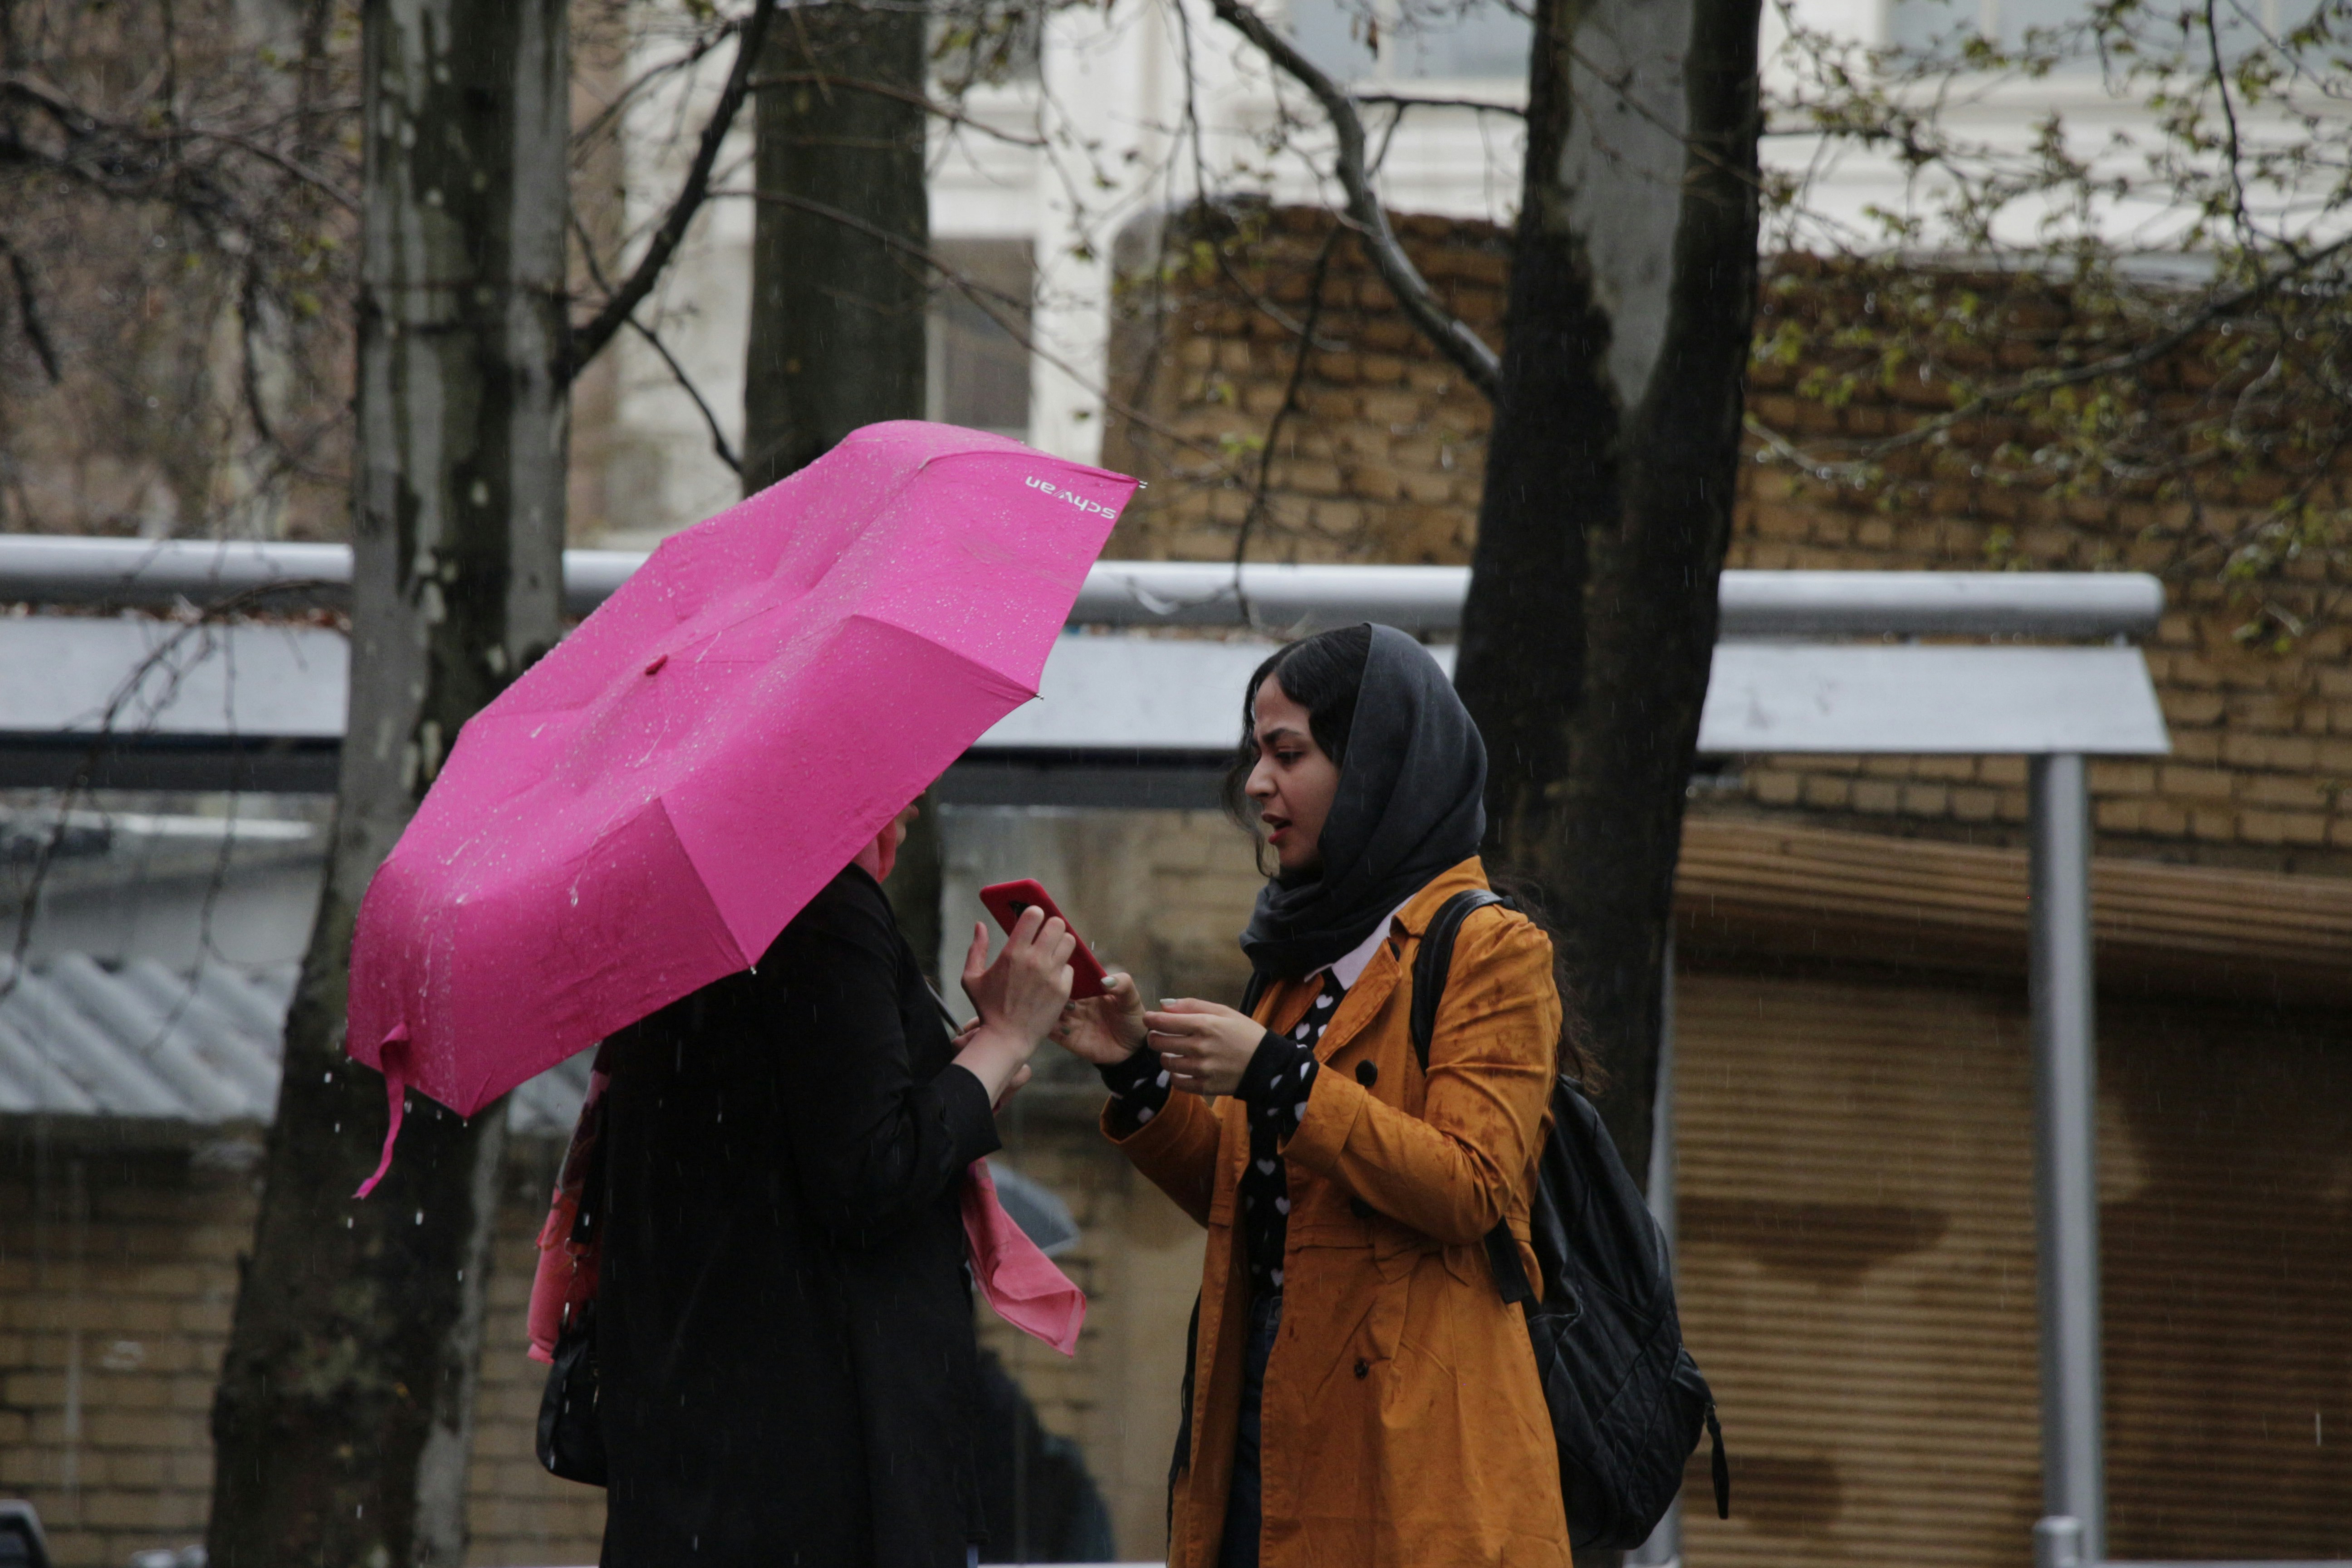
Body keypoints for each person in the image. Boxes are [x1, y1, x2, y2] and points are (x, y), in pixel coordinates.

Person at [1054, 623, 1588, 1568]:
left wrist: (1279, 1077)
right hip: (1263, 1417)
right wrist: (1134, 1071)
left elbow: (1472, 1187)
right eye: (1255, 754)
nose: (1257, 783)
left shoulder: (1491, 948)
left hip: (1411, 1460)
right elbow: (1254, 1205)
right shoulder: (1295, 969)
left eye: (1287, 753)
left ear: (1379, 762)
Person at [594, 800, 1078, 1568]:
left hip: (703, 1446)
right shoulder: (824, 907)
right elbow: (868, 1178)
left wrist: (964, 1079)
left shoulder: (695, 915)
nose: (915, 791)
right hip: (824, 1461)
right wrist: (1011, 1035)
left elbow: (794, 1135)